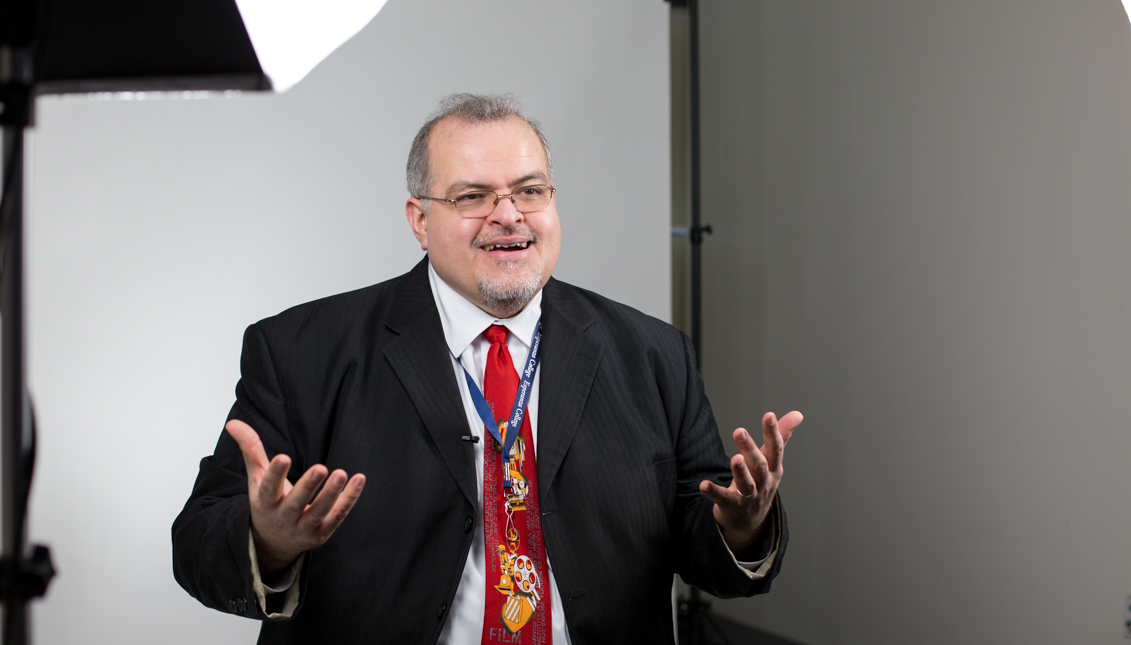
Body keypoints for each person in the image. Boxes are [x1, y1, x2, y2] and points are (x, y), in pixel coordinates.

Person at [172, 93, 803, 645]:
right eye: (473, 196)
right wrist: (270, 541)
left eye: (530, 190)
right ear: (421, 220)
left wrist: (742, 530)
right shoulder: (301, 351)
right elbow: (196, 546)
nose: (510, 215)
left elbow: (706, 540)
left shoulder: (654, 353)